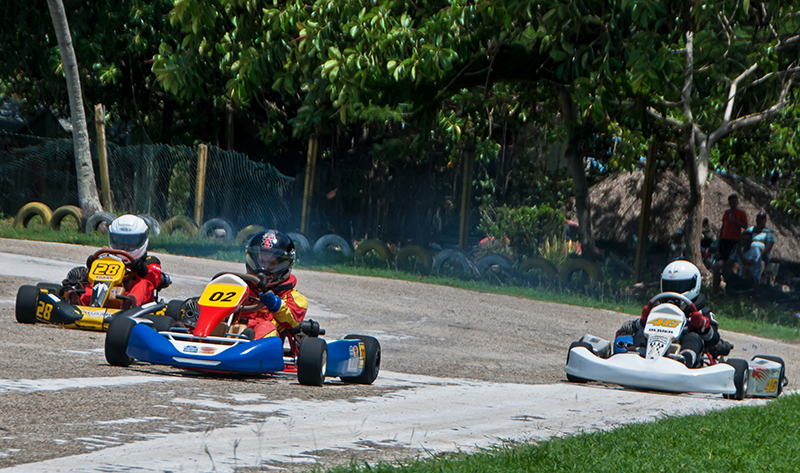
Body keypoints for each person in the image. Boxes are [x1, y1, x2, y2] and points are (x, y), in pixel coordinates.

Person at [617, 260, 725, 368]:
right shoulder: (658, 307)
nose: (673, 291)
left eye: (680, 286)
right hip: (655, 341)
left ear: (694, 284)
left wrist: (703, 326)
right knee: (641, 333)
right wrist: (643, 321)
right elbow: (631, 327)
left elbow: (714, 339)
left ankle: (684, 361)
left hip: (682, 349)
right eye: (669, 286)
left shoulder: (702, 311)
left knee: (693, 337)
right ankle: (638, 357)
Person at [67, 214, 170, 307]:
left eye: (131, 241)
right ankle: (81, 301)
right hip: (107, 293)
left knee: (144, 283)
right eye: (120, 241)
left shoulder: (149, 261)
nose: (125, 245)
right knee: (96, 282)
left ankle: (130, 303)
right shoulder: (107, 258)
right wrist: (93, 265)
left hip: (133, 298)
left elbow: (156, 277)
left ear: (143, 239)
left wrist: (143, 271)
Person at [235, 230, 308, 340]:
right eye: (260, 262)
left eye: (271, 264)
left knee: (266, 327)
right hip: (232, 331)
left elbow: (293, 319)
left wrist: (275, 304)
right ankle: (202, 339)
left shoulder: (294, 297)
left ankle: (245, 344)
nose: (263, 268)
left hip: (265, 340)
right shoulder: (240, 287)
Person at [713, 193, 748, 293]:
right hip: (724, 240)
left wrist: (735, 221)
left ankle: (731, 289)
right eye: (730, 202)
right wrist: (719, 241)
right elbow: (723, 227)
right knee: (720, 265)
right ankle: (715, 289)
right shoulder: (726, 213)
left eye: (734, 202)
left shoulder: (741, 213)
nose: (732, 204)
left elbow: (745, 226)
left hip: (734, 241)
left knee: (731, 265)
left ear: (737, 202)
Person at [748, 212, 775, 281]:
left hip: (762, 254)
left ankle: (757, 280)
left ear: (765, 220)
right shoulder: (751, 230)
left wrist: (760, 254)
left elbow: (769, 246)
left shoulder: (768, 232)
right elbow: (744, 239)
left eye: (762, 219)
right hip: (750, 252)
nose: (759, 220)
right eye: (758, 218)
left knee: (761, 263)